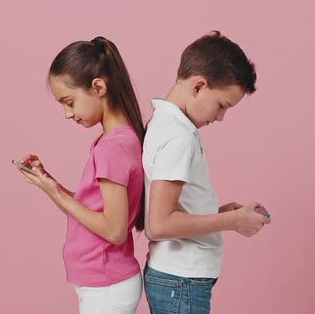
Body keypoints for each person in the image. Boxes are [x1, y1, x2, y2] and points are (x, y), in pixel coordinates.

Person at [142, 31, 271, 314]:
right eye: (222, 105)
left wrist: (223, 212)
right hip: (182, 280)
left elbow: (173, 208)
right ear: (199, 86)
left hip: (178, 280)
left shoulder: (168, 125)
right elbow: (160, 224)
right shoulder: (178, 136)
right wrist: (233, 220)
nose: (221, 117)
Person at [16, 36, 145, 314]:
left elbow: (113, 230)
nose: (66, 113)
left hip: (106, 286)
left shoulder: (112, 148)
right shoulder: (117, 141)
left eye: (69, 102)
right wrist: (50, 183)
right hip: (106, 283)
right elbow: (95, 211)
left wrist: (55, 192)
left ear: (98, 87)